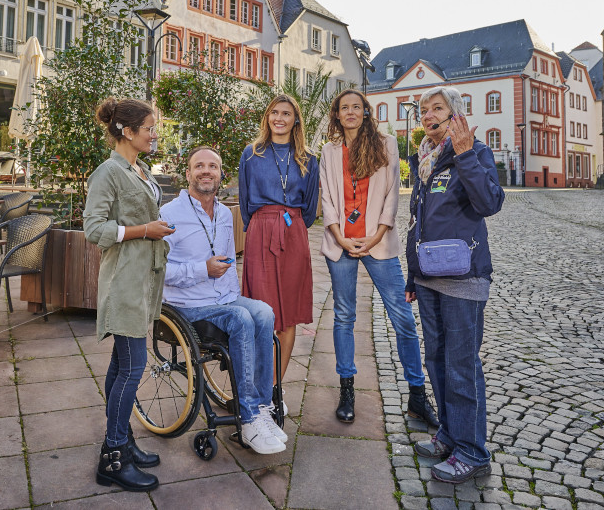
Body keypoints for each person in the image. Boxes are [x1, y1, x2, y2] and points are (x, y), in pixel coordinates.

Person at [320, 89, 439, 427]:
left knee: (401, 316)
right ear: (337, 115)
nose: (351, 112)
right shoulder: (328, 152)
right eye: (344, 108)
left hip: (379, 241)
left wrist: (375, 235)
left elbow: (391, 195)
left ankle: (417, 395)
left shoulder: (385, 144)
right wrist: (339, 235)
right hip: (340, 241)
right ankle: (347, 389)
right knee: (344, 316)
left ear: (366, 112)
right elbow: (327, 196)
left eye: (356, 107)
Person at [405, 86, 504, 484]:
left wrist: (464, 153)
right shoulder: (424, 160)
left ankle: (473, 452)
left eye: (437, 109)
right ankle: (449, 435)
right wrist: (413, 274)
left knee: (462, 366)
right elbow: (418, 221)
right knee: (437, 361)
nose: (428, 116)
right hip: (429, 277)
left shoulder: (474, 152)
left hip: (463, 278)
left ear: (455, 115)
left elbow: (489, 203)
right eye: (423, 111)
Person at [161, 146, 288, 454]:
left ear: (221, 174)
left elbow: (229, 262)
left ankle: (260, 407)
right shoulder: (169, 214)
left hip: (222, 298)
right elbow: (159, 270)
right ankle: (247, 419)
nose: (206, 171)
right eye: (199, 166)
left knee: (264, 312)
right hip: (186, 305)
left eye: (213, 167)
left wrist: (232, 293)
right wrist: (202, 269)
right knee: (241, 319)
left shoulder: (224, 214)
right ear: (188, 173)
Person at [84, 97, 175, 492]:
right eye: (150, 128)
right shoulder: (108, 172)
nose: (155, 134)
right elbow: (93, 229)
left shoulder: (136, 168)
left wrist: (155, 228)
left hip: (142, 279)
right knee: (133, 368)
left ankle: (122, 442)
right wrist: (144, 231)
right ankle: (113, 457)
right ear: (128, 131)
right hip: (124, 281)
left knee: (122, 367)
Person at [238, 94, 319, 398]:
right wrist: (263, 224)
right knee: (261, 311)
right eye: (274, 112)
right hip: (260, 232)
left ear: (296, 119)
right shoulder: (252, 153)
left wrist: (292, 226)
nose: (280, 118)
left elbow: (311, 208)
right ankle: (254, 383)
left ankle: (275, 388)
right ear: (267, 117)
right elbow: (245, 202)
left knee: (288, 314)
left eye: (286, 113)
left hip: (294, 233)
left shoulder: (308, 158)